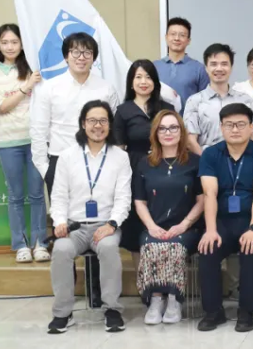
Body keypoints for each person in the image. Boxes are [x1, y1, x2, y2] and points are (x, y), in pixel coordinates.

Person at [47, 100, 132, 334]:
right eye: (92, 120)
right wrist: (59, 222)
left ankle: (112, 309)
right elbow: (58, 196)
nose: (98, 126)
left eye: (103, 120)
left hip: (105, 226)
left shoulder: (120, 157)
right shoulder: (67, 156)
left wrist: (112, 224)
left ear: (110, 125)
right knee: (61, 250)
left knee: (108, 248)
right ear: (83, 124)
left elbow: (123, 198)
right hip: (74, 227)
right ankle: (62, 313)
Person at [196, 103, 253, 332]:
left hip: (252, 219)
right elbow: (209, 194)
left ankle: (246, 311)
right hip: (220, 220)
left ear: (251, 127)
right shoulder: (211, 154)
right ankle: (213, 311)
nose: (235, 129)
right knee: (207, 249)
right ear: (221, 127)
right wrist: (211, 230)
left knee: (251, 248)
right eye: (229, 124)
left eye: (241, 124)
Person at [0, 24, 49, 263]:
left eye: (14, 42)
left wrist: (32, 81)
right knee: (16, 195)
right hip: (8, 141)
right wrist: (26, 87)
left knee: (37, 194)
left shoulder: (33, 69)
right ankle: (20, 245)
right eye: (5, 42)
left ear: (22, 44)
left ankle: (40, 243)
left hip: (36, 140)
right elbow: (1, 107)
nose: (10, 47)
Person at [135, 110, 204, 325]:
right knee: (151, 245)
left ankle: (174, 299)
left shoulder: (195, 162)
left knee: (174, 246)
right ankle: (156, 300)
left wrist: (184, 224)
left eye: (173, 127)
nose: (168, 132)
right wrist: (151, 226)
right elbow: (139, 202)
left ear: (181, 131)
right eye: (162, 128)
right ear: (155, 133)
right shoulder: (144, 163)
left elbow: (202, 200)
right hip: (154, 226)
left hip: (188, 228)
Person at [31, 32, 120, 197]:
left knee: (99, 211)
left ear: (93, 58)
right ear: (66, 56)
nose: (81, 57)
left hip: (98, 162)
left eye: (87, 52)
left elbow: (115, 128)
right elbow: (38, 130)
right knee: (63, 213)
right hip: (60, 161)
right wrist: (45, 169)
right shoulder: (49, 88)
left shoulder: (106, 88)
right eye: (75, 52)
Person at [114, 59, 175, 254]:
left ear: (155, 82)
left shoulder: (167, 108)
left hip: (164, 167)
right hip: (134, 169)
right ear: (131, 83)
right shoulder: (123, 111)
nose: (143, 82)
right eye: (138, 77)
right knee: (136, 220)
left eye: (148, 77)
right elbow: (118, 149)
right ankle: (140, 267)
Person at [184, 43, 253, 155]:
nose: (219, 68)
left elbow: (252, 137)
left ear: (231, 67)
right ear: (206, 68)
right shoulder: (194, 101)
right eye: (213, 64)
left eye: (224, 64)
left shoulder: (245, 101)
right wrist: (208, 161)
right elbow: (190, 141)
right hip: (207, 161)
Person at [154, 17, 210, 115]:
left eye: (182, 35)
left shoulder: (199, 69)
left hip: (188, 123)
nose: (177, 38)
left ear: (188, 40)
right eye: (173, 34)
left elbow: (205, 102)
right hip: (159, 122)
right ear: (166, 37)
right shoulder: (154, 66)